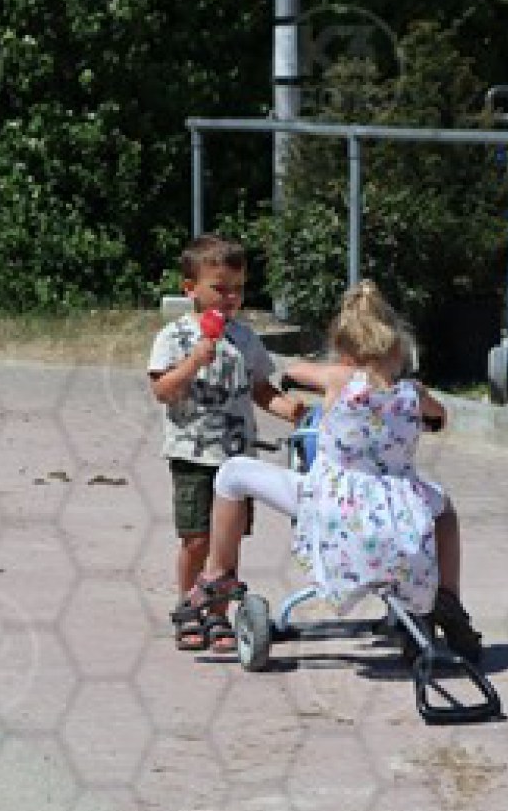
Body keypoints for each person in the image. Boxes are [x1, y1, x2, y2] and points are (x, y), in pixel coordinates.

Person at [195, 280, 483, 663]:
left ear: (344, 352)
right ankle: (447, 599)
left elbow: (294, 371)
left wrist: (294, 379)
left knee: (233, 474)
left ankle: (217, 574)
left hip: (335, 508)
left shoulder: (338, 378)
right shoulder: (413, 393)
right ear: (398, 348)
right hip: (399, 513)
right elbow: (440, 418)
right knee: (443, 509)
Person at [149, 234, 305, 652]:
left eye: (238, 288)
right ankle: (189, 606)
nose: (230, 297)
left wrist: (291, 410)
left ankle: (217, 614)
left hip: (237, 461)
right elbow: (163, 390)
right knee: (196, 539)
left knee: (226, 542)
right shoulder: (174, 337)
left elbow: (261, 390)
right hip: (192, 454)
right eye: (220, 288)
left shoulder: (245, 338)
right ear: (190, 288)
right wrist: (194, 361)